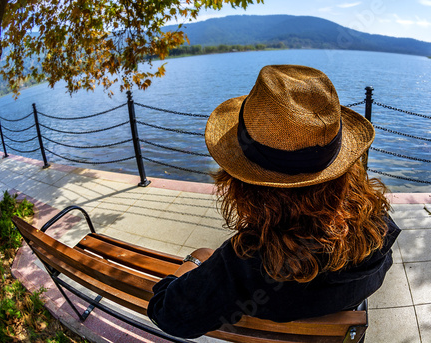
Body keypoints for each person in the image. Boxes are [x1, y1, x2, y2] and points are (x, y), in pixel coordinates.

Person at [147, 65, 401, 338]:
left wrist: (195, 262)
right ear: (341, 171)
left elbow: (168, 314)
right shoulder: (377, 228)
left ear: (245, 184)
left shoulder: (247, 263)